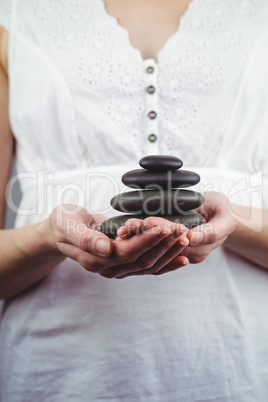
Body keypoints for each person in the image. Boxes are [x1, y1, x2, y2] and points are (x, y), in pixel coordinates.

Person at [0, 0, 268, 400]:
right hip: (55, 376)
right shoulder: (13, 17)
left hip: (238, 373)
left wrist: (232, 222)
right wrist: (46, 237)